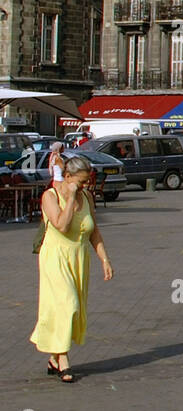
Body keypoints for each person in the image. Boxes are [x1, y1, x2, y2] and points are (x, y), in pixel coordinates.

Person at [30, 155, 114, 382]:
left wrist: (104, 259)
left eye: (88, 181)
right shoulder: (50, 196)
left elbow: (93, 231)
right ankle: (63, 360)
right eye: (82, 181)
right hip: (55, 257)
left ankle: (53, 357)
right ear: (67, 177)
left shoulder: (86, 197)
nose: (86, 186)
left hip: (78, 257)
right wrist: (69, 199)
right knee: (68, 305)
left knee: (66, 309)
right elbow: (62, 225)